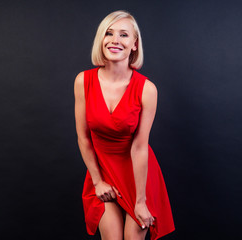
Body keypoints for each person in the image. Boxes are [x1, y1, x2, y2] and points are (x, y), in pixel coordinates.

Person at [74, 10, 175, 240]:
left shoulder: (147, 90)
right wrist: (98, 182)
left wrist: (141, 201)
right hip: (102, 175)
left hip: (138, 178)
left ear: (134, 44)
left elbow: (140, 147)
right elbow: (83, 137)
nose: (115, 40)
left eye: (124, 35)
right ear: (101, 39)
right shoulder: (83, 81)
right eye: (109, 33)